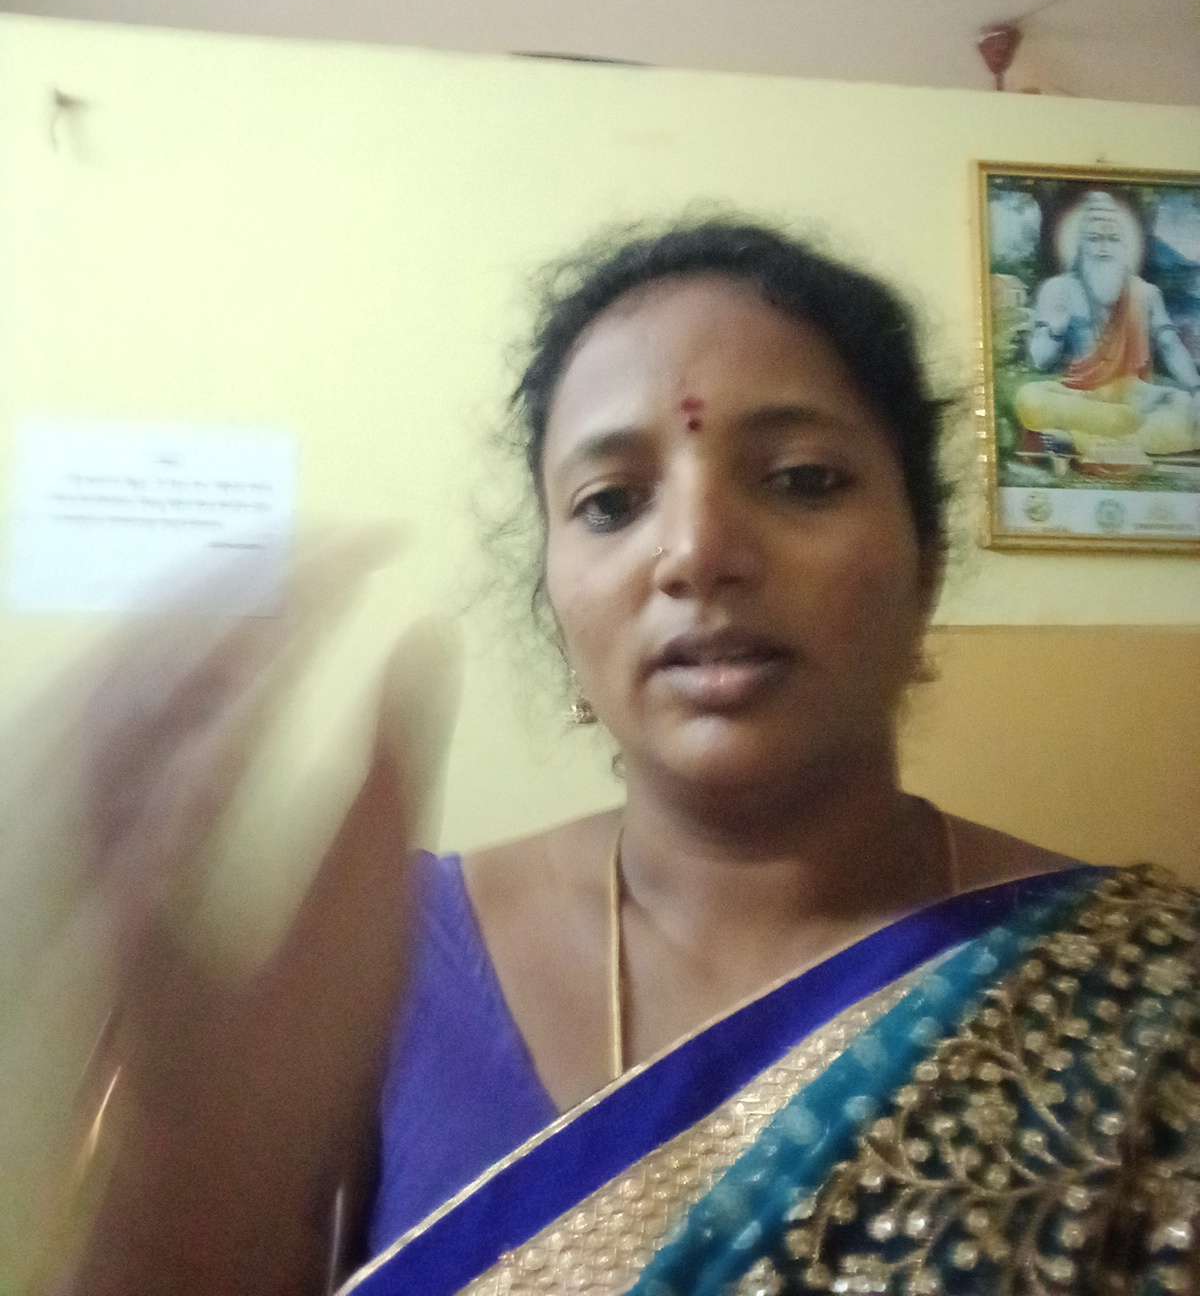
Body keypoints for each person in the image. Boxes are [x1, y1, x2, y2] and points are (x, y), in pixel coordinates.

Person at [45, 218, 1200, 1296]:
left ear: (927, 562)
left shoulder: (1143, 988)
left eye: (802, 478)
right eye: (610, 503)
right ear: (555, 604)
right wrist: (176, 1180)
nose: (697, 550)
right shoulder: (375, 966)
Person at [1016, 187, 1200, 459]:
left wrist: (1196, 388)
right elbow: (1039, 361)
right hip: (1080, 396)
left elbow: (1170, 346)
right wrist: (1054, 330)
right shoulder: (1059, 289)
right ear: (1080, 245)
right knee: (1029, 397)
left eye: (1112, 239)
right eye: (1094, 239)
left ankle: (1078, 440)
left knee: (1187, 409)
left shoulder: (1146, 294)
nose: (1103, 247)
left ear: (1124, 246)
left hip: (1134, 396)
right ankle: (1124, 435)